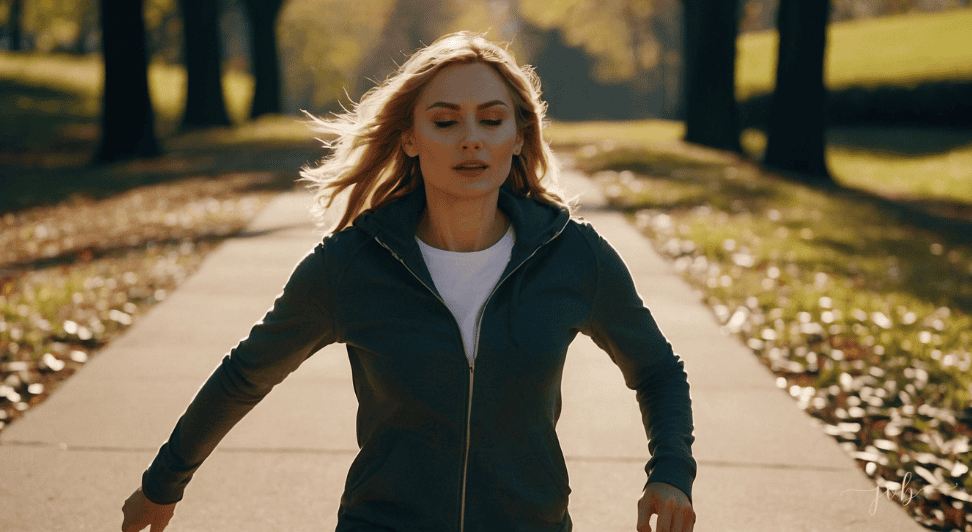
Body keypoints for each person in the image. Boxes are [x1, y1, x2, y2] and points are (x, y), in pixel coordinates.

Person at [121, 32, 697, 532]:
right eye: (445, 122)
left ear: (520, 136)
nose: (471, 139)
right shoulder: (354, 264)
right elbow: (247, 374)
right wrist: (163, 483)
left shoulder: (570, 256)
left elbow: (657, 371)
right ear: (409, 138)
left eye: (492, 121)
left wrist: (670, 473)